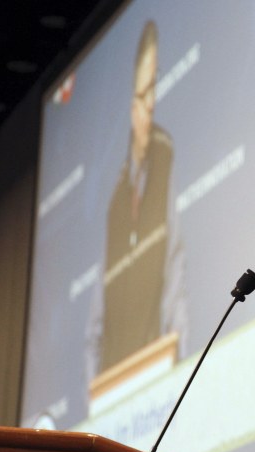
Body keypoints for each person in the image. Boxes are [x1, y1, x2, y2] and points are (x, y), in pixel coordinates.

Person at [92, 20, 189, 379]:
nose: (149, 106)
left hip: (155, 371)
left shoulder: (167, 155)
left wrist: (179, 365)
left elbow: (176, 268)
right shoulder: (115, 194)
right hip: (110, 382)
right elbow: (97, 314)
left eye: (153, 92)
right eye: (142, 95)